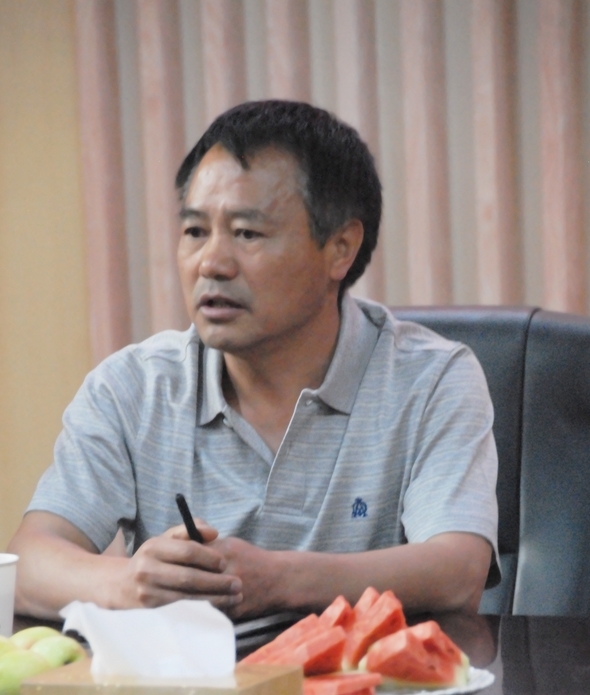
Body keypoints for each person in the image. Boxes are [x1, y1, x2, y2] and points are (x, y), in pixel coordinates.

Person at [8, 100, 499, 621]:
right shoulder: (133, 387)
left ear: (340, 247)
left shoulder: (431, 379)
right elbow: (30, 560)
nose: (211, 264)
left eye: (247, 233)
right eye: (195, 231)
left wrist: (279, 580)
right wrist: (128, 582)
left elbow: (457, 571)